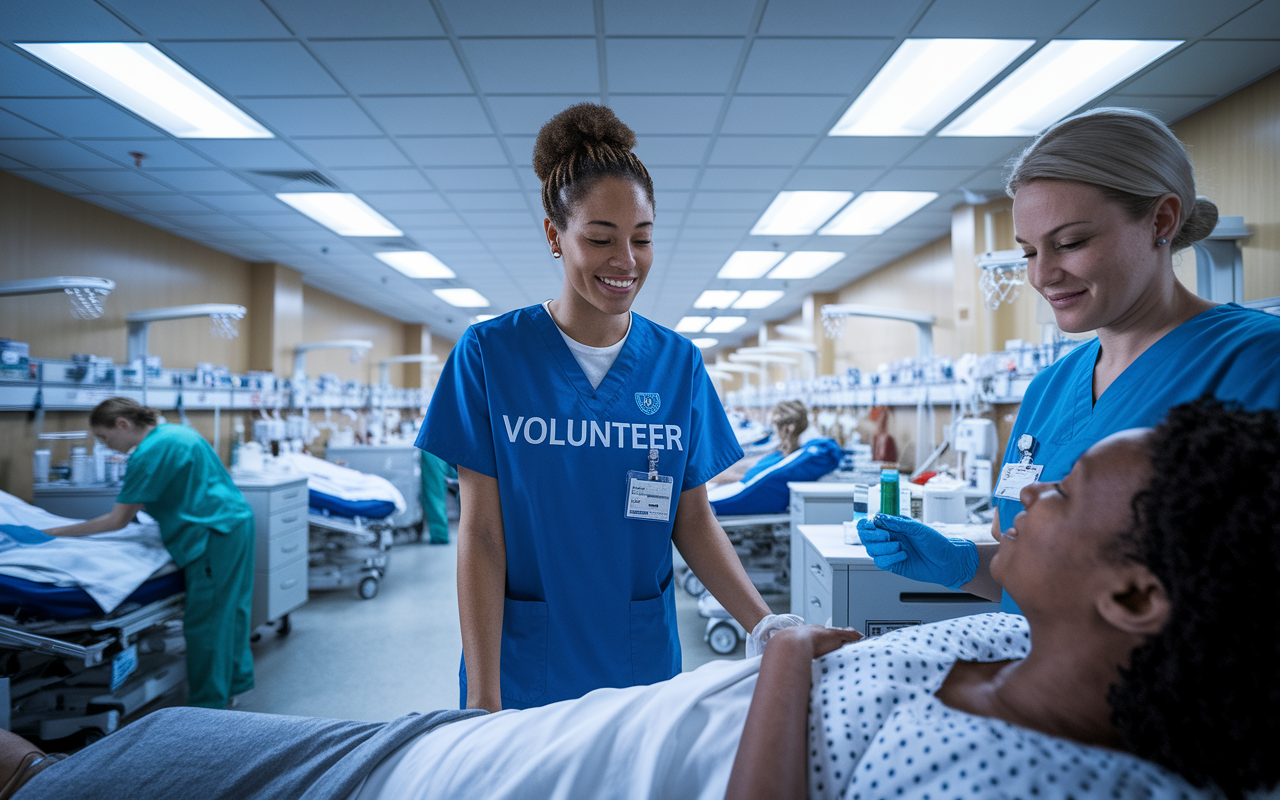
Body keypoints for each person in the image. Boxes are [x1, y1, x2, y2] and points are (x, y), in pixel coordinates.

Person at [8, 399, 1277, 800]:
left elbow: (687, 509)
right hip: (510, 734)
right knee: (135, 758)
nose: (1034, 482)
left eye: (1067, 490)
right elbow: (483, 526)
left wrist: (775, 646)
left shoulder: (1027, 773)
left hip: (497, 773)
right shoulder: (1019, 635)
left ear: (1131, 591)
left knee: (120, 767)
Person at [415, 103, 779, 712]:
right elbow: (479, 533)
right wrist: (481, 697)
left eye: (642, 238)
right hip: (524, 662)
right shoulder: (489, 355)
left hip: (641, 658)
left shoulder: (678, 364)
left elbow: (691, 518)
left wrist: (765, 626)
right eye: (600, 238)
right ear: (556, 236)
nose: (626, 261)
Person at [858, 107, 1280, 610]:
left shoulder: (1256, 363)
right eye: (1030, 253)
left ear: (1161, 220)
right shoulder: (1050, 388)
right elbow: (1034, 570)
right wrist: (966, 563)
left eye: (1070, 243)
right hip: (1045, 673)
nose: (1043, 276)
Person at [41, 397, 255, 710]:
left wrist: (48, 532)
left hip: (211, 536)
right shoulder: (178, 434)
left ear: (122, 424)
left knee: (208, 623)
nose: (107, 446)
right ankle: (233, 685)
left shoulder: (149, 452)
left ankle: (209, 707)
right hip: (234, 525)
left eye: (104, 437)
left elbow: (117, 521)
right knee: (231, 612)